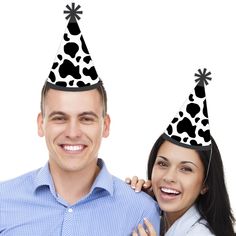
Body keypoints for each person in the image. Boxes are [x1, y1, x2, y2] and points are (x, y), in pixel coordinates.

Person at [0, 3, 160, 235]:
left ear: (105, 126)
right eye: (59, 118)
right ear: (40, 124)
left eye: (86, 119)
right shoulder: (4, 202)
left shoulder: (142, 212)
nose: (73, 132)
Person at [128, 69, 235, 236]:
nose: (169, 177)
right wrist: (136, 199)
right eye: (163, 164)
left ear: (205, 185)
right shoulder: (155, 218)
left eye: (186, 169)